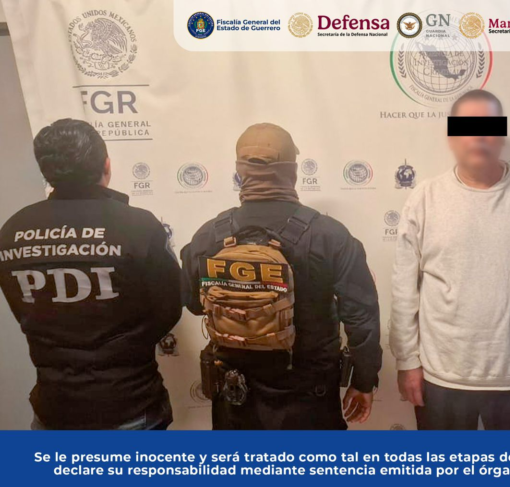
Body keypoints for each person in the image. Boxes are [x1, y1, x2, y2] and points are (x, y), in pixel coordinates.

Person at [390, 90, 510, 430]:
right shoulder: (425, 198)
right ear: (452, 136)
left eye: (488, 126)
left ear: (501, 135)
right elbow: (404, 290)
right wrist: (406, 360)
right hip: (440, 375)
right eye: (467, 126)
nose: (478, 135)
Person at [181, 123, 381, 430]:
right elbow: (361, 316)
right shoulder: (328, 235)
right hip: (309, 399)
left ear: (240, 171)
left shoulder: (209, 236)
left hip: (235, 397)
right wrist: (364, 380)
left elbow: (194, 304)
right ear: (292, 172)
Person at [0, 119, 181, 430]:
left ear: (47, 171)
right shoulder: (138, 226)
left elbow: (25, 311)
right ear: (106, 165)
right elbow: (170, 307)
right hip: (129, 404)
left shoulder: (12, 230)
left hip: (53, 408)